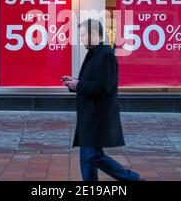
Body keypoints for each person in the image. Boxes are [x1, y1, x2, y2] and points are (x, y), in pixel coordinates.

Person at [61, 19, 142, 181]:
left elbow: (103, 87)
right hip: (89, 116)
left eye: (83, 35)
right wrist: (74, 82)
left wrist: (78, 85)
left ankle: (132, 178)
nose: (81, 38)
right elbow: (91, 82)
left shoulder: (105, 56)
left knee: (91, 155)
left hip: (97, 116)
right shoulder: (94, 54)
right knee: (87, 156)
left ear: (94, 34)